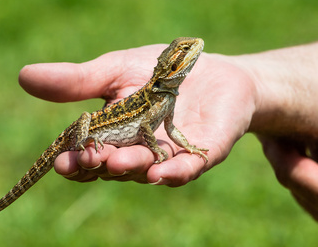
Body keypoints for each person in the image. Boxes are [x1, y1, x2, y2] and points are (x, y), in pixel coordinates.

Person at [18, 40, 318, 221]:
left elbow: (169, 126)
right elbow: (148, 127)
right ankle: (84, 140)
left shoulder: (167, 96)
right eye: (184, 52)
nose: (193, 50)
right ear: (172, 68)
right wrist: (156, 148)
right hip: (87, 132)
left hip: (118, 127)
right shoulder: (156, 96)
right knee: (86, 125)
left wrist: (188, 146)